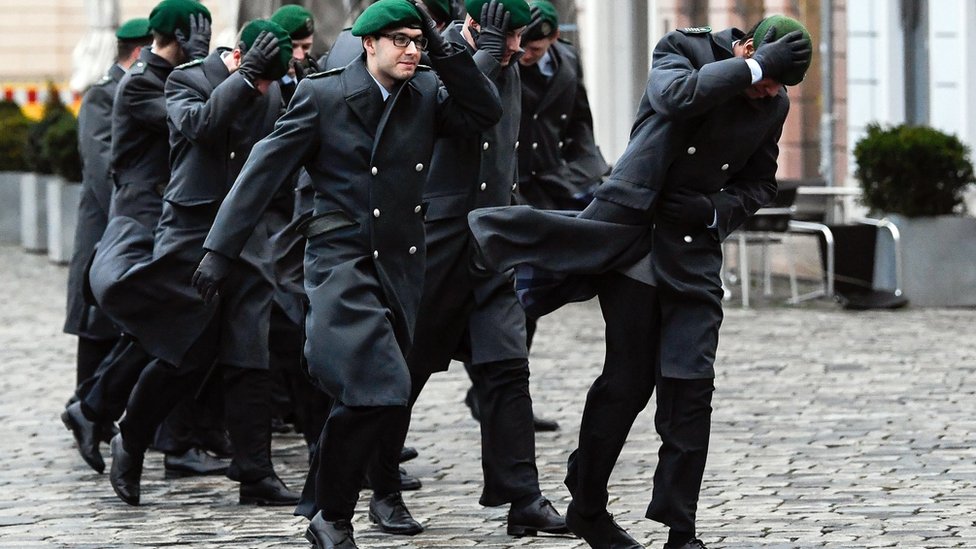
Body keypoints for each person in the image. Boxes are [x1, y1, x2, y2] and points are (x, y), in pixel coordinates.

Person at [468, 15, 813, 549]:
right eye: (770, 77)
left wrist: (713, 210)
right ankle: (587, 503)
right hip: (632, 235)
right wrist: (751, 70)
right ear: (746, 47)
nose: (770, 91)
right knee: (628, 383)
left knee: (691, 386)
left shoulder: (774, 102)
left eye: (780, 86)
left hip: (693, 247)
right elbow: (677, 98)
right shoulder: (681, 49)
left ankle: (682, 530)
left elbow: (759, 183)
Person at [192, 1, 502, 546]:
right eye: (400, 40)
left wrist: (446, 48)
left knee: (372, 394)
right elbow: (262, 171)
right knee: (380, 388)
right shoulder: (323, 93)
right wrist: (219, 253)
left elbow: (484, 111)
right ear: (368, 44)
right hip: (340, 260)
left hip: (403, 262)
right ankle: (333, 516)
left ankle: (323, 506)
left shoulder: (428, 90)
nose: (412, 50)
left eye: (418, 40)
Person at [370, 0, 569, 538]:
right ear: (479, 26)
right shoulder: (429, 54)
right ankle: (382, 487)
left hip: (492, 244)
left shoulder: (507, 64)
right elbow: (455, 110)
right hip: (436, 243)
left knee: (507, 368)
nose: (514, 49)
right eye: (507, 37)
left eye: (519, 37)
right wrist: (481, 53)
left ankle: (522, 497)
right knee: (405, 370)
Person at [95, 18, 300, 508]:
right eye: (262, 76)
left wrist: (269, 82)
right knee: (185, 353)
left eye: (272, 80)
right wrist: (244, 80)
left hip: (247, 237)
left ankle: (255, 472)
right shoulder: (186, 79)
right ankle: (133, 437)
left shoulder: (269, 89)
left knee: (251, 353)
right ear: (238, 57)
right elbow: (201, 126)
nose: (268, 88)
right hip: (190, 233)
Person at [62, 0, 221, 477]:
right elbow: (193, 120)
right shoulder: (137, 84)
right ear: (177, 35)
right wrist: (200, 67)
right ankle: (109, 416)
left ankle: (97, 410)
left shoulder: (167, 79)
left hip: (162, 222)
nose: (205, 42)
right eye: (197, 35)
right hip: (139, 225)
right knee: (170, 328)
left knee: (170, 331)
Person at [63, 17, 152, 401]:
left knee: (119, 323)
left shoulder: (139, 89)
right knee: (96, 323)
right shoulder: (104, 94)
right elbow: (102, 168)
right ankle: (85, 404)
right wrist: (129, 221)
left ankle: (103, 406)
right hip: (107, 224)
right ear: (137, 52)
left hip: (126, 224)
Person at [271, 4, 319, 104]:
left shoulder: (316, 76)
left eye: (306, 47)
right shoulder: (264, 86)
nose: (299, 56)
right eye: (292, 46)